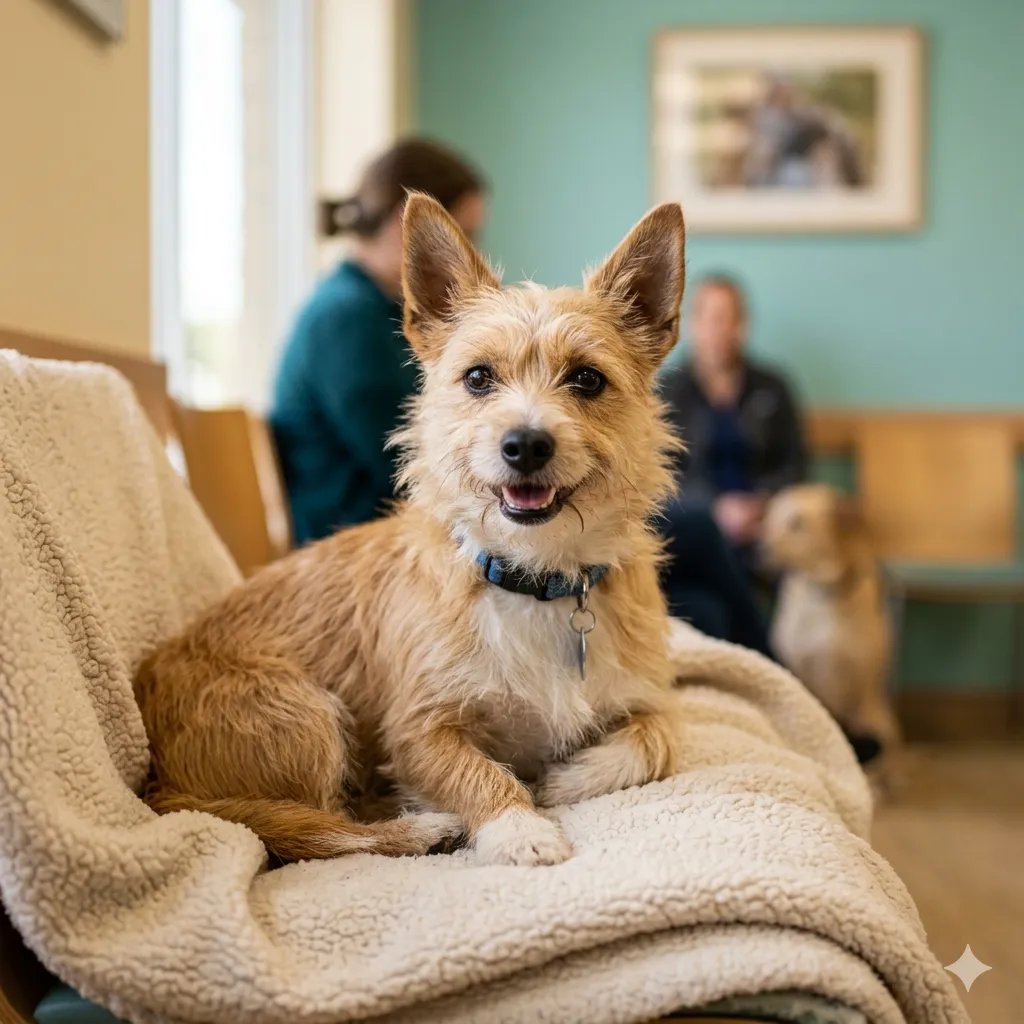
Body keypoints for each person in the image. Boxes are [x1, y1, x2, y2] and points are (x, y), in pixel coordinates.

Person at [271, 139, 487, 544]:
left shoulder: (364, 307)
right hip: (355, 539)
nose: (471, 252)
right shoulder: (346, 319)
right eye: (465, 234)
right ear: (414, 227)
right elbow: (404, 459)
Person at [660, 274, 807, 568]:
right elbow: (661, 471)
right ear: (692, 325)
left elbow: (794, 465)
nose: (720, 330)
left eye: (730, 318)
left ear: (743, 325)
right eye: (712, 318)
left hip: (765, 522)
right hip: (695, 520)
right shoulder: (668, 391)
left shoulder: (773, 387)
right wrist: (715, 508)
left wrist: (760, 505)